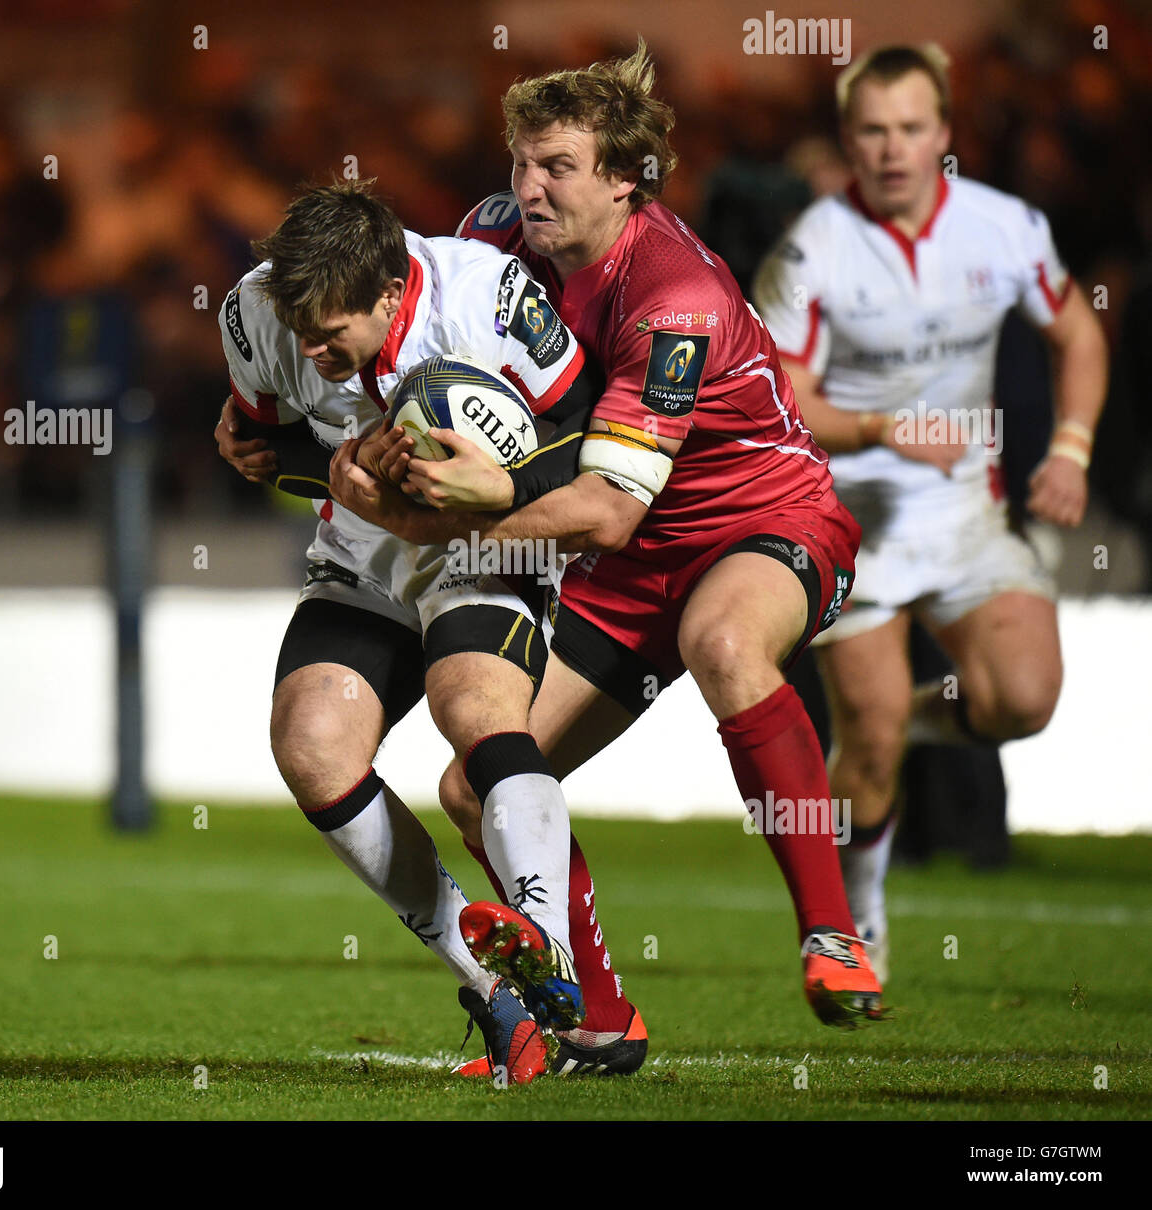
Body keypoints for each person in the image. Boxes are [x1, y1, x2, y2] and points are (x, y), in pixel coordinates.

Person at [329, 41, 886, 1048]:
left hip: (759, 519)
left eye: (557, 167)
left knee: (723, 642)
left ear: (625, 181)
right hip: (624, 562)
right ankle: (598, 1018)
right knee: (476, 784)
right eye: (520, 162)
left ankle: (832, 931)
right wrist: (309, 441)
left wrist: (463, 508)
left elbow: (607, 510)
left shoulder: (676, 298)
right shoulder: (493, 241)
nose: (527, 188)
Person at [214, 180, 610, 1083]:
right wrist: (338, 475)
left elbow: (586, 435)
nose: (313, 351)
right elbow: (255, 440)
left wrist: (486, 485)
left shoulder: (487, 299)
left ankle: (542, 938)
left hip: (480, 542)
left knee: (472, 708)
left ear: (392, 294)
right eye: (300, 328)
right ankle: (495, 989)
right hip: (361, 553)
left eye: (331, 334)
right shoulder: (256, 311)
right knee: (311, 746)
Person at [751, 44, 1108, 980]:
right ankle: (854, 926)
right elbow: (776, 395)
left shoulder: (1004, 227)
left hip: (967, 517)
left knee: (1024, 701)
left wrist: (1070, 449)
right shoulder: (811, 249)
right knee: (861, 749)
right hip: (848, 520)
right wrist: (878, 425)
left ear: (943, 134)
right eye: (873, 130)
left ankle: (909, 720)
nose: (893, 148)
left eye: (912, 127)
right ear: (849, 139)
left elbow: (1078, 332)